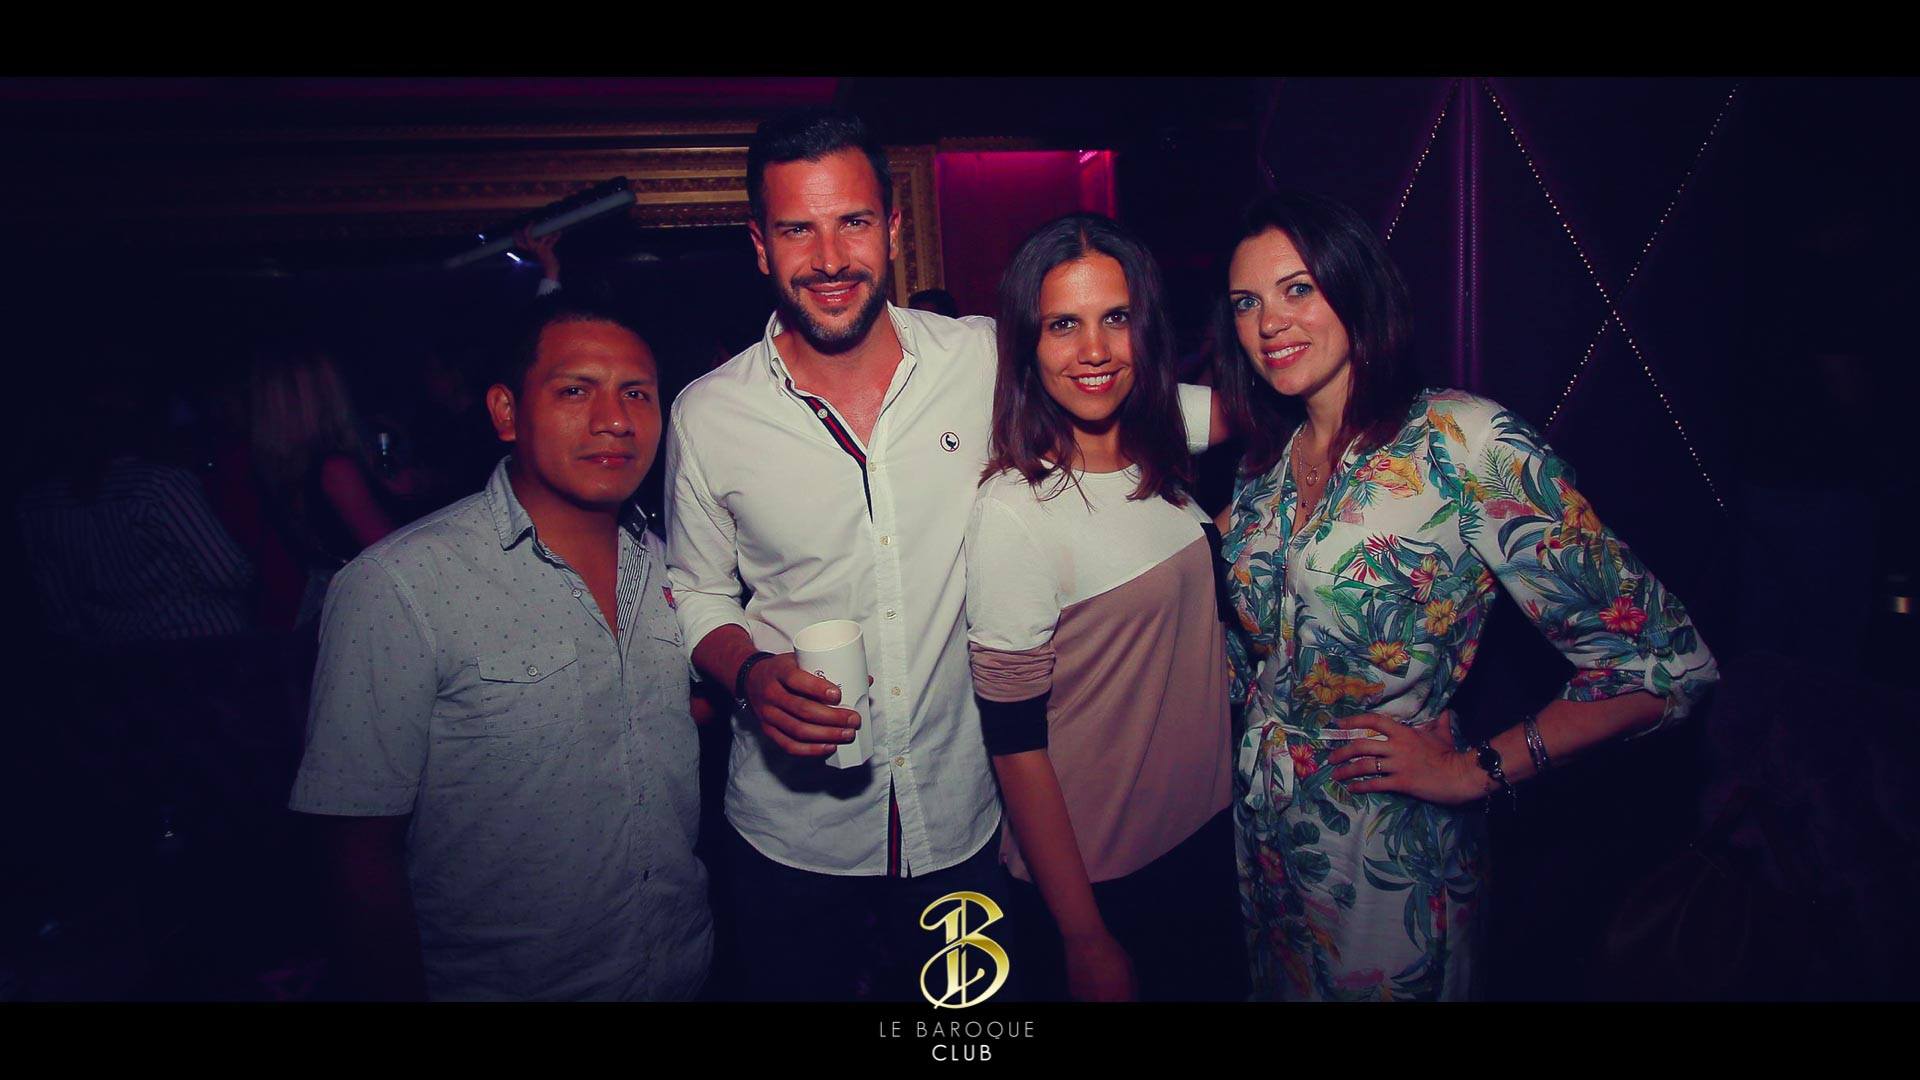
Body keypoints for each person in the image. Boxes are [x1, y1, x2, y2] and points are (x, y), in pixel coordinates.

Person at [664, 109, 1221, 1001]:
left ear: (892, 228)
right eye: (798, 230)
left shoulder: (986, 359)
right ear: (760, 246)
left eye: (853, 221)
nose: (830, 257)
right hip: (790, 840)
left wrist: (1310, 407)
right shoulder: (708, 415)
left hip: (966, 828)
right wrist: (750, 673)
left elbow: (1149, 406)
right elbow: (696, 590)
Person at [1213, 190, 1719, 1001]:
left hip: (1386, 846)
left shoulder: (1462, 443)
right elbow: (1256, 652)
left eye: (1298, 288)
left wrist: (1475, 771)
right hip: (1268, 840)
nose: (1270, 321)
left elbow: (1662, 664)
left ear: (1356, 288)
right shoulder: (1264, 465)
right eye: (1247, 302)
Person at [288, 295, 711, 1001]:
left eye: (636, 393)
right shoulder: (400, 585)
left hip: (683, 970)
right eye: (575, 390)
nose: (614, 419)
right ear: (507, 412)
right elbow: (356, 846)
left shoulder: (677, 566)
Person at [964, 213, 1241, 1001]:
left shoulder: (1157, 447)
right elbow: (1015, 746)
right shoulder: (1016, 511)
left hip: (1206, 839)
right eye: (1063, 325)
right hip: (1102, 877)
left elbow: (1270, 403)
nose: (1094, 350)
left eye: (1115, 318)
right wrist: (1083, 936)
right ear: (1027, 344)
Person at [248, 346, 401, 629]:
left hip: (326, 604)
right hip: (365, 608)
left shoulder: (282, 469)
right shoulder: (334, 470)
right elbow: (396, 555)